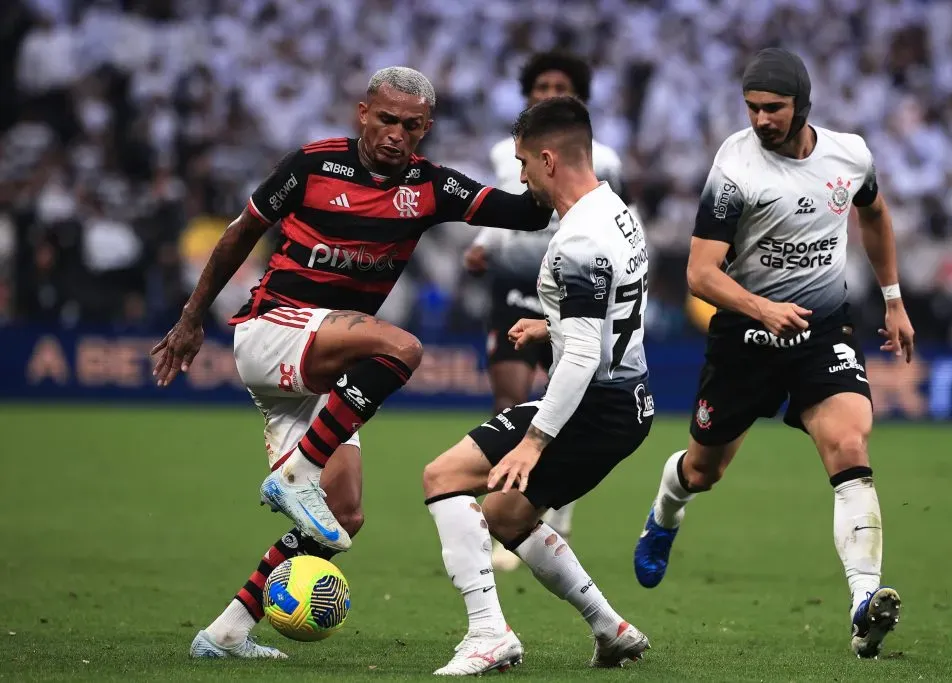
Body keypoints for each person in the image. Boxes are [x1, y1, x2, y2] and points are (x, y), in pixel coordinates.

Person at [150, 66, 554, 659]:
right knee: (403, 348)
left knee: (342, 516)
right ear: (363, 113)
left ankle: (227, 632)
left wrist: (548, 163)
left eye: (411, 126)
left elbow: (529, 214)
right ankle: (295, 474)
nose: (396, 134)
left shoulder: (431, 187)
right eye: (386, 119)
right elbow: (240, 233)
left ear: (425, 129)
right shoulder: (312, 166)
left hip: (325, 366)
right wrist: (191, 318)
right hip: (272, 329)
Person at [633, 48, 915, 660]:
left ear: (802, 105)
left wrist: (893, 300)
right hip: (745, 337)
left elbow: (874, 214)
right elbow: (699, 273)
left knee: (850, 444)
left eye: (774, 108)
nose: (761, 119)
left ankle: (864, 602)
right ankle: (665, 513)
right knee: (704, 471)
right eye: (753, 108)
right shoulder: (734, 168)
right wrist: (761, 309)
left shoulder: (850, 155)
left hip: (821, 331)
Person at [422, 96, 653, 676]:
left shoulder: (578, 240)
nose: (521, 178)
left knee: (443, 477)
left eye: (524, 163)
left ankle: (488, 634)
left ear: (548, 160)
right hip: (628, 401)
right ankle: (611, 629)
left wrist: (534, 441)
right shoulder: (617, 213)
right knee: (505, 514)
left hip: (594, 404)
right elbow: (611, 313)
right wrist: (551, 325)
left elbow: (583, 356)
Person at [464, 51, 629, 572]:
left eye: (560, 86)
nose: (549, 93)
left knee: (569, 389)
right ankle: (509, 509)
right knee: (509, 397)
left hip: (575, 282)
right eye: (541, 86)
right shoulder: (505, 152)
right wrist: (484, 245)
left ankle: (552, 507)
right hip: (517, 280)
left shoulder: (604, 160)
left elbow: (615, 218)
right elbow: (504, 209)